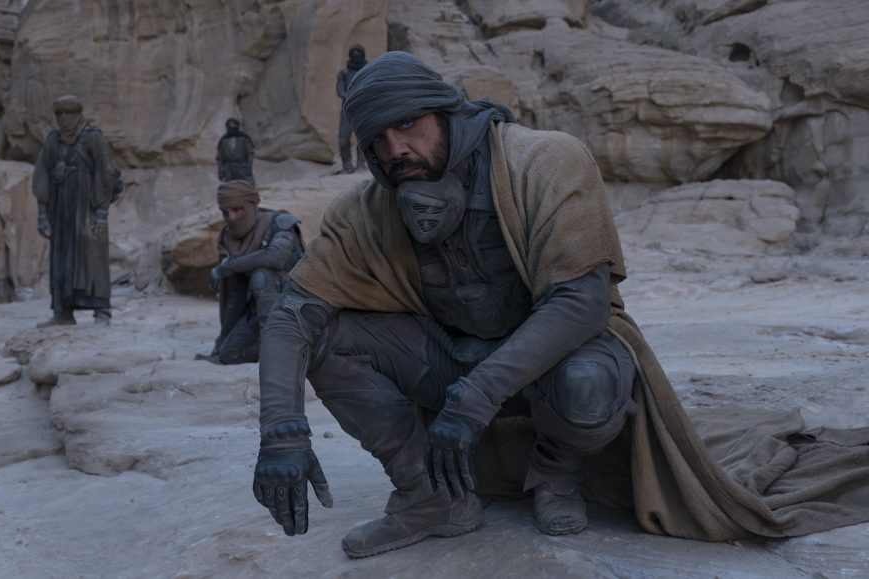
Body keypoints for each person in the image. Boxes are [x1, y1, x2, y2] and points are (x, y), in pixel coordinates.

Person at [251, 52, 869, 559]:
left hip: (554, 360)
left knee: (590, 382)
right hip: (452, 356)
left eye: (409, 125)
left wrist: (474, 397)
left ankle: (555, 474)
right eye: (378, 140)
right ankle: (431, 497)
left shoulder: (542, 160)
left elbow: (582, 302)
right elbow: (292, 314)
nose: (396, 151)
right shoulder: (367, 208)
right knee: (331, 340)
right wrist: (281, 433)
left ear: (447, 112)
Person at [33, 95, 122, 327]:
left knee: (93, 256)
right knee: (62, 258)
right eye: (59, 113)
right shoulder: (53, 141)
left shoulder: (93, 138)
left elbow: (107, 173)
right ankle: (62, 313)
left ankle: (102, 311)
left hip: (88, 209)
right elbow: (41, 176)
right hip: (61, 210)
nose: (64, 118)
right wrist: (43, 213)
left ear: (78, 114)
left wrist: (101, 211)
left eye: (69, 112)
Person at [206, 180, 304, 364]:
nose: (232, 217)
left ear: (251, 205)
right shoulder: (230, 238)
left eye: (237, 210)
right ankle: (284, 347)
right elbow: (234, 298)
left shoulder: (279, 223)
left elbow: (275, 257)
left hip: (296, 306)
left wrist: (226, 266)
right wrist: (222, 340)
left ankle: (278, 350)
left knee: (261, 275)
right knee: (229, 354)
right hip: (258, 311)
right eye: (226, 213)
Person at [336, 44, 367, 173]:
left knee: (364, 138)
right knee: (343, 140)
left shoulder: (367, 71)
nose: (356, 54)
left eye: (358, 52)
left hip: (363, 108)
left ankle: (361, 164)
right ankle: (347, 166)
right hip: (347, 109)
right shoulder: (343, 73)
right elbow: (340, 90)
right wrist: (350, 97)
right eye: (353, 52)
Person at [217, 118, 256, 186]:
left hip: (242, 166)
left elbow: (250, 153)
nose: (231, 128)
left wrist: (248, 166)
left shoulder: (244, 138)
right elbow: (220, 158)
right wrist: (221, 170)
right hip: (229, 169)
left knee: (247, 186)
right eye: (229, 126)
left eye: (233, 126)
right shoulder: (224, 140)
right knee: (230, 187)